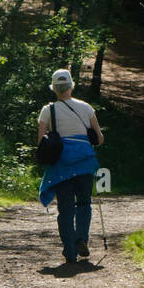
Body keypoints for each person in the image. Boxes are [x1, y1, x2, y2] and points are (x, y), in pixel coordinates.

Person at [37, 68, 103, 268]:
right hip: (84, 163)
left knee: (65, 208)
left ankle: (70, 252)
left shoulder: (48, 110)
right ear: (71, 85)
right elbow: (99, 138)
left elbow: (41, 141)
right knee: (84, 203)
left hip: (61, 165)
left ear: (54, 88)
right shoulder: (86, 108)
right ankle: (81, 237)